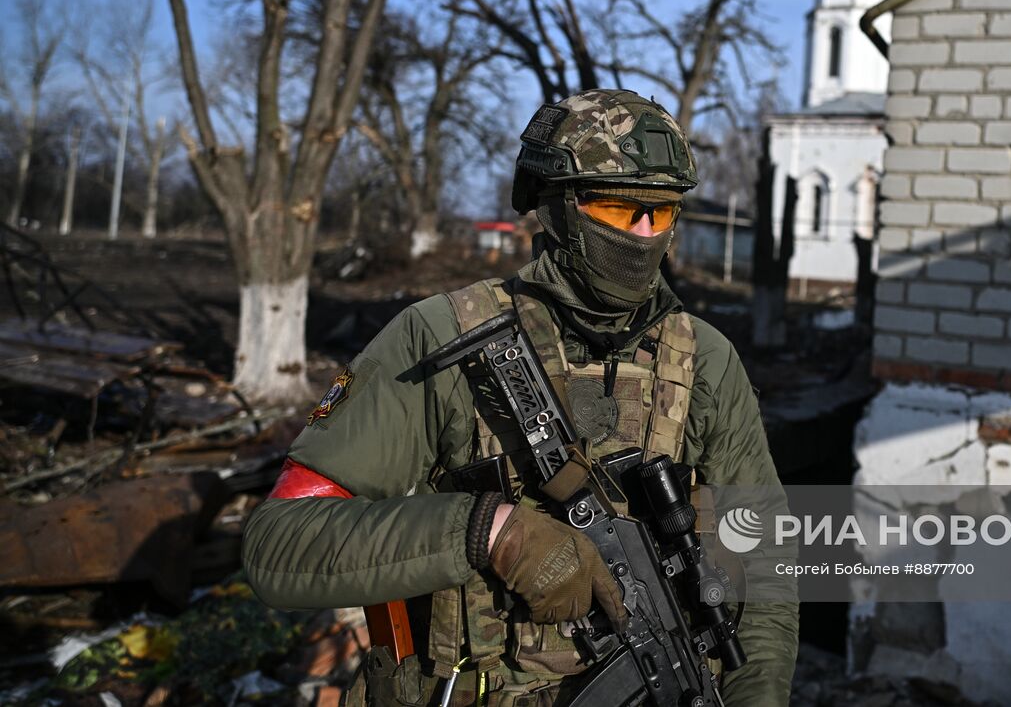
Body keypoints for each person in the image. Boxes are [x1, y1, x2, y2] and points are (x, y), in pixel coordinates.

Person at [242, 89, 798, 706]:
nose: (643, 234)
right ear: (557, 209)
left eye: (661, 212)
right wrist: (487, 532)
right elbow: (280, 545)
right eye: (617, 208)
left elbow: (767, 564)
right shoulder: (440, 337)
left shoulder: (706, 361)